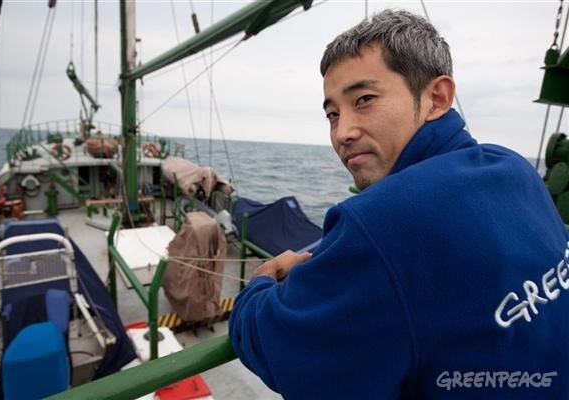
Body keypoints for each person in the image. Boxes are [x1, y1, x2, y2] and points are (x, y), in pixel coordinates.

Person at [228, 9, 569, 399]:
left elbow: (280, 346)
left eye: (365, 99)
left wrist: (259, 284)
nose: (343, 132)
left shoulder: (378, 223)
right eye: (333, 114)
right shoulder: (512, 167)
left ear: (436, 98)